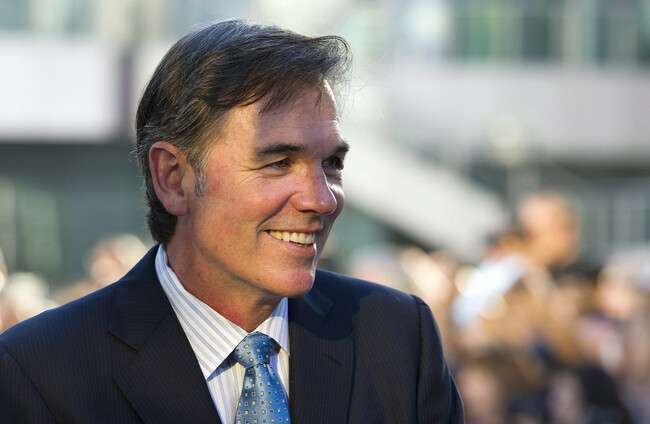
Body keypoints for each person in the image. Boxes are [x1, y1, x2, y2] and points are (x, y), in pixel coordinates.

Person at [0, 19, 463, 423]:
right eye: (278, 163)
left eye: (332, 164)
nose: (322, 199)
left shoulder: (398, 336)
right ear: (173, 178)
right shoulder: (41, 371)